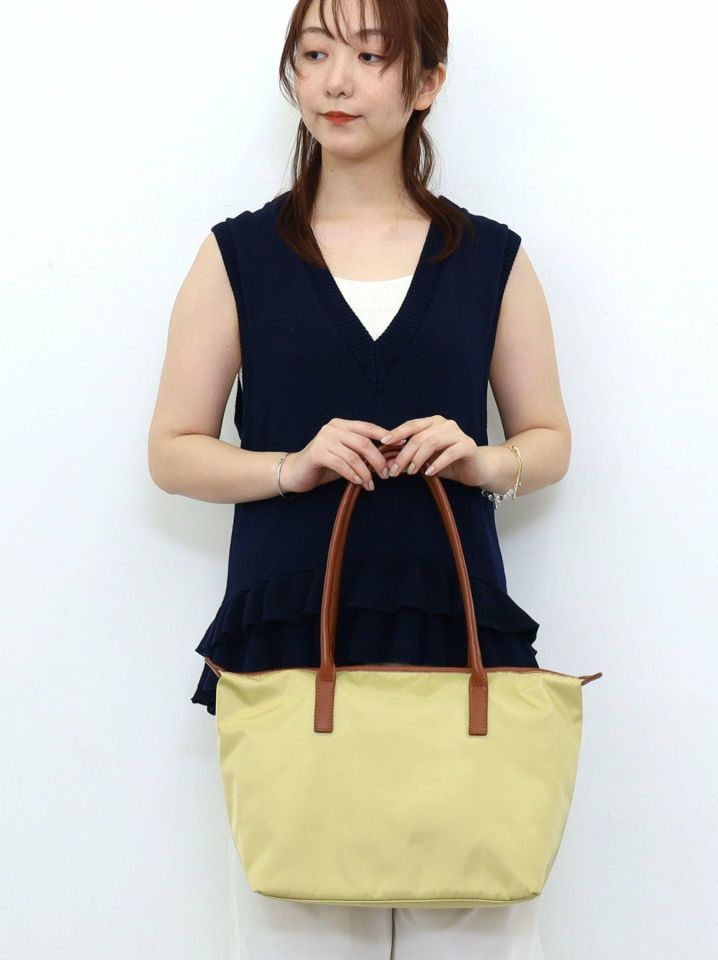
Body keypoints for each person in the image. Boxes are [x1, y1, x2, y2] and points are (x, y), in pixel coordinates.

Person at [148, 0, 570, 956]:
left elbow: (548, 438)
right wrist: (289, 466)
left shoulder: (491, 259)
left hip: (456, 633)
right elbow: (172, 449)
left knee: (474, 926)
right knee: (291, 927)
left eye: (372, 56)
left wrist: (482, 459)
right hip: (291, 637)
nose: (336, 81)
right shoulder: (237, 256)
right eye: (314, 53)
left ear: (427, 83)